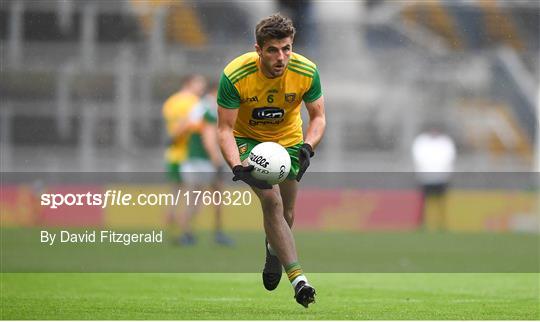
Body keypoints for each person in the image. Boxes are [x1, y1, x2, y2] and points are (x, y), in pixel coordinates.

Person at [216, 14, 326, 308]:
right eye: (273, 50)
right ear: (258, 49)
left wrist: (307, 148)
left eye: (287, 48)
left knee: (287, 212)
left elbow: (318, 117)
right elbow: (225, 129)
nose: (282, 57)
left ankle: (272, 249)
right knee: (272, 202)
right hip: (248, 142)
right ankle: (300, 281)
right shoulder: (235, 75)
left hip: (289, 141)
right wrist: (236, 166)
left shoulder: (306, 71)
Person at [179, 83, 234, 246]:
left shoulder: (198, 107)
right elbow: (209, 137)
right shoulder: (210, 109)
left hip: (192, 158)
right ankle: (216, 233)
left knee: (196, 197)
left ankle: (187, 232)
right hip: (205, 161)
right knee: (214, 196)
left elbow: (182, 127)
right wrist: (217, 161)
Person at [411, 126, 456, 231]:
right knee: (423, 202)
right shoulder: (422, 142)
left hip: (441, 177)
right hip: (426, 177)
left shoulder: (444, 143)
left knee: (441, 202)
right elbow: (418, 158)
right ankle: (422, 223)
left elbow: (449, 157)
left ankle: (442, 223)